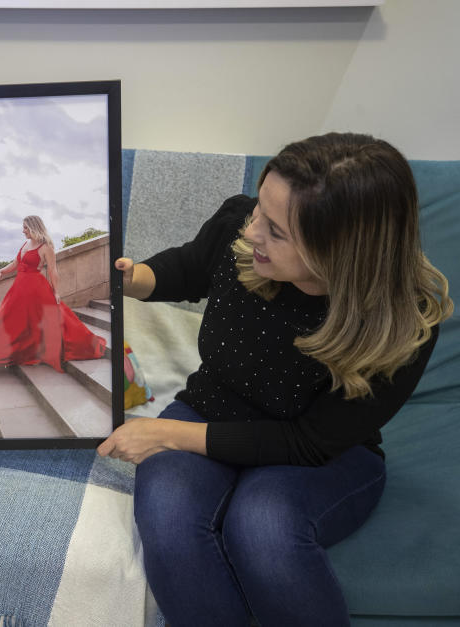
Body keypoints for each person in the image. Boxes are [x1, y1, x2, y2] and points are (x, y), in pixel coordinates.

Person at [97, 133, 453, 626]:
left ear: (342, 252)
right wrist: (132, 277)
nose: (252, 232)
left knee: (262, 524)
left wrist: (165, 432)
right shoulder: (242, 229)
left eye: (278, 231)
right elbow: (190, 267)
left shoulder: (402, 325)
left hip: (321, 454)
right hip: (214, 409)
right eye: (260, 209)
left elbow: (307, 442)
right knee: (167, 511)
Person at [0, 215, 106, 372]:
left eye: (25, 227)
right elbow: (14, 264)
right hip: (19, 288)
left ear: (34, 227)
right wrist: (0, 273)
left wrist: (56, 291)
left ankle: (77, 344)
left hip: (36, 288)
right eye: (23, 227)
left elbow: (53, 270)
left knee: (48, 320)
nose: (23, 231)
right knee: (12, 321)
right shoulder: (26, 243)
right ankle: (10, 353)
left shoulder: (46, 247)